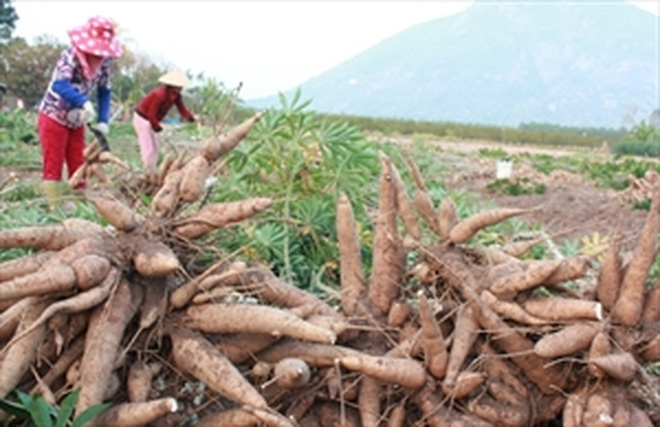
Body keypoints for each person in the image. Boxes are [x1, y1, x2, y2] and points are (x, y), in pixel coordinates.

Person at [37, 16, 122, 208]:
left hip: (77, 120)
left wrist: (103, 119)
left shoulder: (104, 61)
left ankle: (82, 206)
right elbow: (59, 85)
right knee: (54, 161)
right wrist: (83, 101)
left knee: (79, 160)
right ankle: (54, 208)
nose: (98, 55)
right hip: (54, 116)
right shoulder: (70, 56)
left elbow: (104, 91)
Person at [133, 70, 195, 170]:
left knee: (155, 148)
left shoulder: (177, 96)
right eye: (179, 85)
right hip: (142, 119)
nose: (181, 88)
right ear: (172, 85)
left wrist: (191, 118)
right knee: (148, 149)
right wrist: (157, 127)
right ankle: (147, 171)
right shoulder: (159, 94)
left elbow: (182, 109)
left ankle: (152, 169)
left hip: (151, 121)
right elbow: (151, 113)